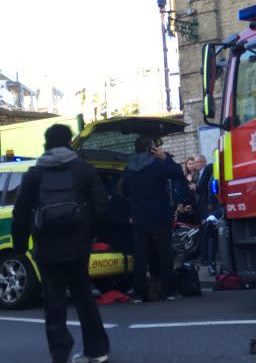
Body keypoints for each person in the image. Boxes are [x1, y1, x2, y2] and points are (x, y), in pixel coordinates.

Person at [11, 124, 110, 363]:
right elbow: (101, 206)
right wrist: (92, 234)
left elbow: (21, 211)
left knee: (53, 302)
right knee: (84, 297)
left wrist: (21, 244)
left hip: (46, 247)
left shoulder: (34, 173)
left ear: (47, 143)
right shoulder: (83, 170)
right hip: (78, 245)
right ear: (68, 142)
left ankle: (60, 353)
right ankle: (96, 351)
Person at [121, 135, 185, 303]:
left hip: (139, 218)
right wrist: (165, 158)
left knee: (140, 257)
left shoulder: (129, 169)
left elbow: (124, 191)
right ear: (151, 149)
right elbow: (178, 173)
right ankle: (170, 291)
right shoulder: (157, 165)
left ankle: (139, 294)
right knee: (164, 254)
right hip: (159, 217)